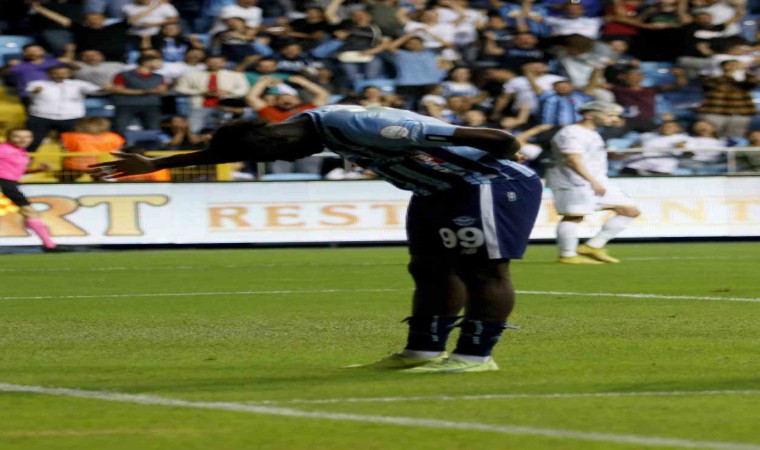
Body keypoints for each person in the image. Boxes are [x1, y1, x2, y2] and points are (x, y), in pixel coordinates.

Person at [91, 105, 543, 373]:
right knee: (428, 269)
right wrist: (156, 164)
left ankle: (475, 356)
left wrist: (503, 157)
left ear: (279, 141)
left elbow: (499, 138)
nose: (294, 158)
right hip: (432, 189)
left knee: (483, 269)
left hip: (484, 183)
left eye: (285, 156)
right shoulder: (291, 130)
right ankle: (422, 351)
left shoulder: (369, 124)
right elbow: (228, 150)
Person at [546, 101, 641, 264]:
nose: (614, 119)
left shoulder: (593, 133)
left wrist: (596, 180)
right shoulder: (572, 132)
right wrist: (591, 181)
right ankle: (567, 255)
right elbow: (572, 159)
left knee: (629, 211)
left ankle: (593, 246)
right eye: (609, 115)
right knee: (574, 216)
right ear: (589, 115)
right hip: (574, 181)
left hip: (597, 180)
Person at [0, 128, 64, 252]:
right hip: (4, 183)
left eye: (27, 137)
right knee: (29, 212)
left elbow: (13, 170)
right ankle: (49, 245)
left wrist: (38, 170)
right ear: (8, 137)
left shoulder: (20, 151)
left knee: (29, 212)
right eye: (17, 136)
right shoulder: (3, 149)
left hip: (9, 184)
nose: (23, 140)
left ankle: (49, 245)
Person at [25, 65, 104, 152]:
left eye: (63, 73)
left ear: (69, 74)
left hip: (71, 118)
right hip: (41, 117)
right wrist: (36, 90)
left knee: (73, 144)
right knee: (33, 142)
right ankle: (23, 160)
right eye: (56, 73)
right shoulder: (37, 84)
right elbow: (30, 91)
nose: (60, 75)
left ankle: (73, 161)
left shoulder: (79, 84)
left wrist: (103, 89)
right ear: (49, 74)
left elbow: (95, 90)